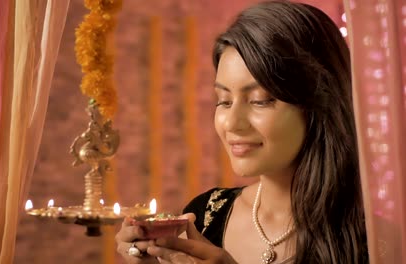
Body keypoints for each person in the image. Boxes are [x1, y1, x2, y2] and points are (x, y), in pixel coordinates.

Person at [115, 1, 369, 263]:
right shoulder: (204, 216)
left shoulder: (373, 237)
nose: (232, 124)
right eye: (224, 101)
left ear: (319, 104)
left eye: (260, 100)